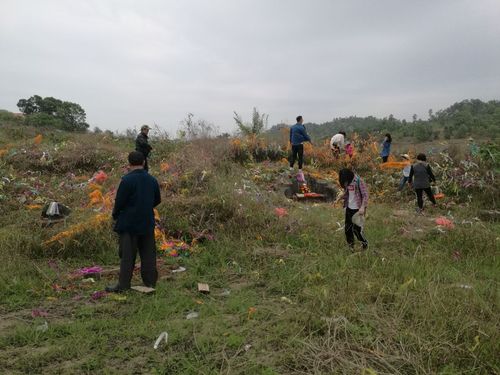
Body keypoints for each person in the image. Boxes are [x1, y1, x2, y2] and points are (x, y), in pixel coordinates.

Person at [106, 151, 161, 293]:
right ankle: (150, 283)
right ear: (143, 162)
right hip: (147, 222)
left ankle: (123, 285)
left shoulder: (127, 180)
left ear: (129, 164)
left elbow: (119, 202)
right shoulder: (152, 180)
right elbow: (157, 200)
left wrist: (116, 215)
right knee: (149, 255)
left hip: (129, 223)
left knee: (127, 256)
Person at [339, 168, 369, 250]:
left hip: (358, 210)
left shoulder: (359, 181)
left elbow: (365, 195)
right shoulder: (347, 182)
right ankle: (351, 246)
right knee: (348, 229)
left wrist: (362, 207)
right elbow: (348, 193)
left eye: (345, 182)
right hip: (349, 208)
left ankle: (364, 244)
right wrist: (340, 198)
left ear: (349, 177)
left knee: (356, 230)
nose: (345, 184)